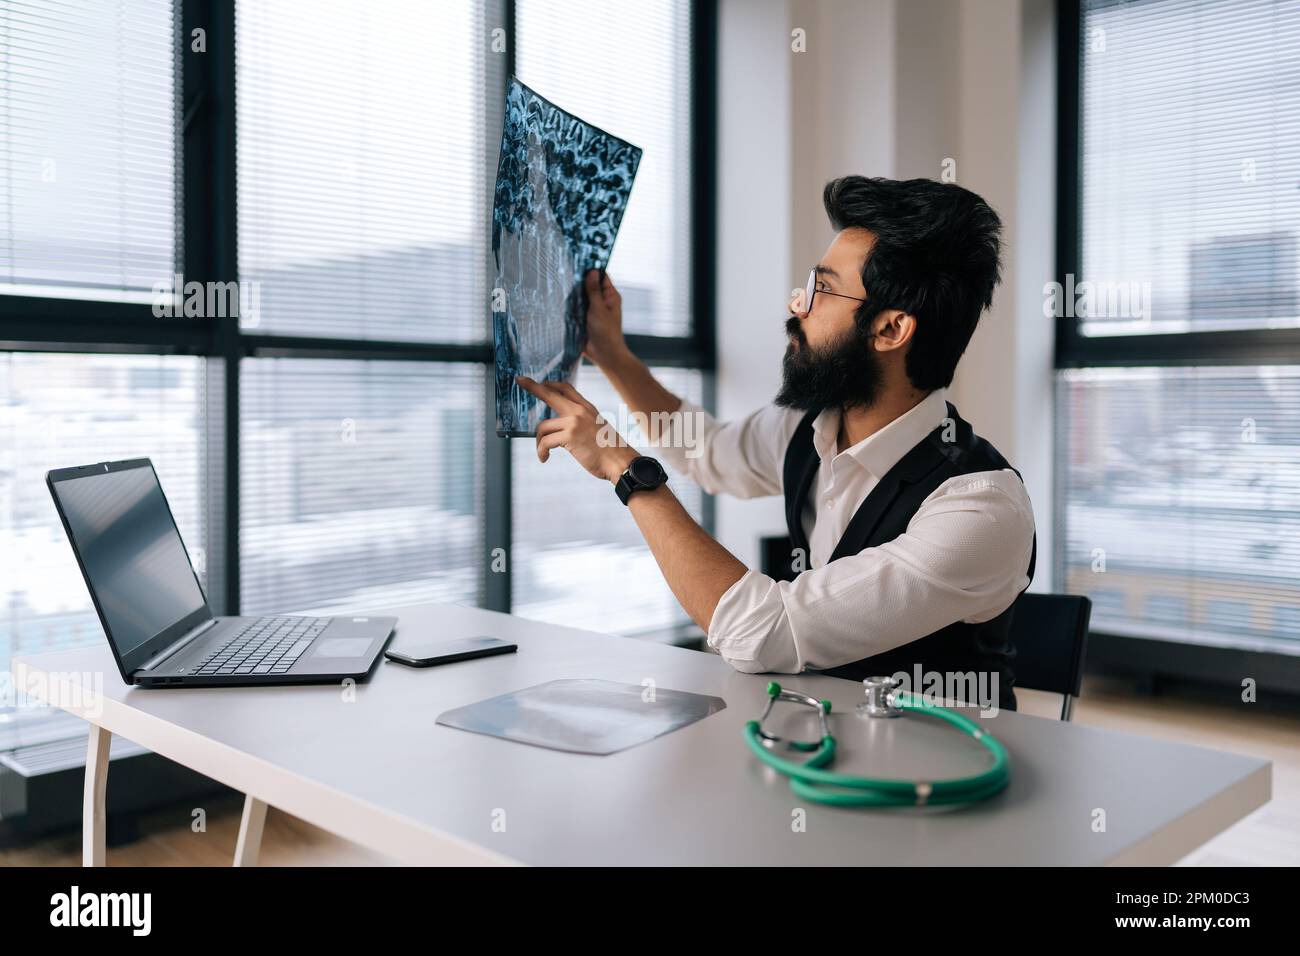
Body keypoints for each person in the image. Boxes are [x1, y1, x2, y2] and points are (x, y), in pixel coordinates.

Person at [516, 175, 1035, 710]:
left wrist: (624, 469)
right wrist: (614, 356)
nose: (796, 306)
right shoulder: (806, 428)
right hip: (823, 745)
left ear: (889, 329)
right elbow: (705, 449)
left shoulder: (981, 507)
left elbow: (759, 633)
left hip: (948, 772)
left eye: (821, 289)